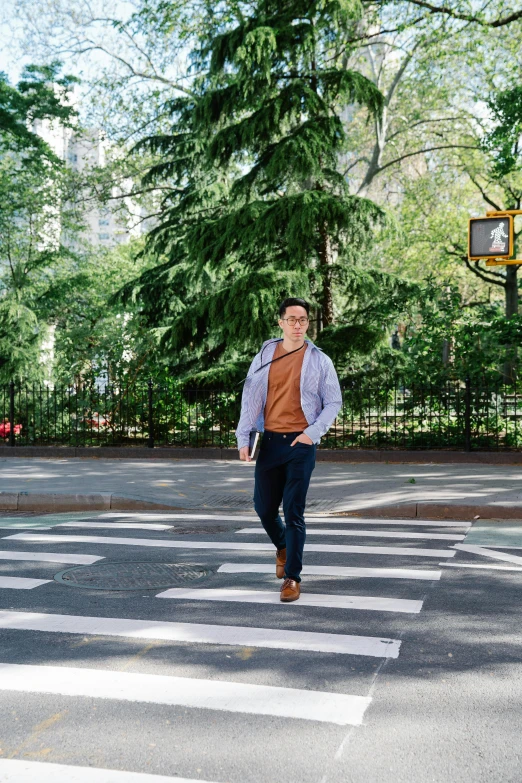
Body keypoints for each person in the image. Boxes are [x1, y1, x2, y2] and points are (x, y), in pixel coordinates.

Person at [235, 297, 342, 602]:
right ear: (280, 322)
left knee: (294, 511)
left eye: (303, 320)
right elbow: (251, 396)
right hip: (270, 442)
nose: (298, 325)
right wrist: (244, 437)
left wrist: (312, 433)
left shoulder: (320, 360)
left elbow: (333, 401)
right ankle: (282, 546)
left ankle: (292, 578)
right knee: (264, 508)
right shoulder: (266, 354)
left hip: (300, 444)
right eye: (292, 319)